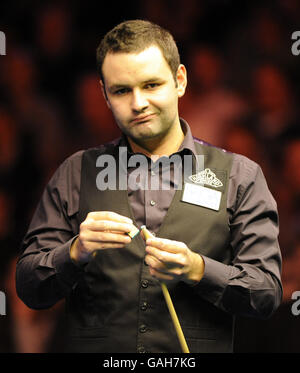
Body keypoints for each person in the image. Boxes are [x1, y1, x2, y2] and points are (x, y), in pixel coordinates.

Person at [16, 19, 282, 353]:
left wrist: (197, 268)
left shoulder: (240, 176)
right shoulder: (75, 172)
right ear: (105, 95)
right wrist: (74, 252)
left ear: (180, 81)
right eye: (121, 90)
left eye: (152, 85)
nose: (138, 103)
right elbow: (28, 286)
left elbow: (266, 293)